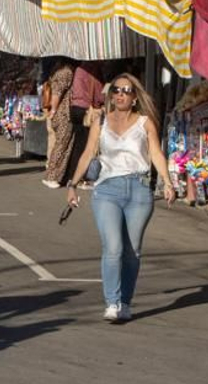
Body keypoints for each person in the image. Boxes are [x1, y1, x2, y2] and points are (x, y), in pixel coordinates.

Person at [65, 72, 175, 322]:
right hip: (107, 190)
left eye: (126, 91)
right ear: (110, 95)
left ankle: (125, 302)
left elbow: (156, 154)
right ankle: (112, 302)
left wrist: (168, 182)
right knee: (113, 247)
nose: (120, 94)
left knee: (132, 251)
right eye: (116, 90)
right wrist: (72, 184)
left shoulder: (145, 123)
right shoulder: (101, 121)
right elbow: (87, 153)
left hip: (139, 190)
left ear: (135, 97)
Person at [41, 60, 76, 189]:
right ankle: (51, 176)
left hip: (62, 113)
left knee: (64, 145)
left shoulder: (59, 71)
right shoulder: (66, 72)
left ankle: (58, 175)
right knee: (61, 145)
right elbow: (57, 92)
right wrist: (54, 110)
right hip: (63, 113)